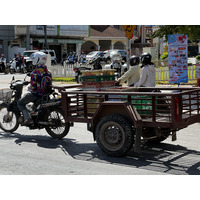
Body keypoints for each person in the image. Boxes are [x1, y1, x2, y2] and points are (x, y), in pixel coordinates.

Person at [17, 52, 52, 126]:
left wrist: (28, 88)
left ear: (37, 59)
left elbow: (33, 86)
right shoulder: (48, 72)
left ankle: (28, 119)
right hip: (45, 94)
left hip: (36, 94)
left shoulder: (35, 72)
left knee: (20, 103)